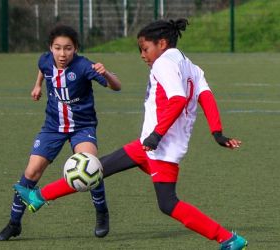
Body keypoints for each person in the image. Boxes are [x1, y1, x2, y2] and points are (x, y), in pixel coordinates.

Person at [13, 19, 247, 249]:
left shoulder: (163, 63)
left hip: (160, 148)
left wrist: (157, 134)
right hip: (150, 145)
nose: (143, 55)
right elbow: (206, 95)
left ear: (162, 44)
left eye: (145, 49)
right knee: (96, 168)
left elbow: (177, 99)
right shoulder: (188, 64)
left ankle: (227, 239)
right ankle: (39, 197)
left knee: (167, 203)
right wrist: (217, 132)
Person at [0, 24, 121, 241]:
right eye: (58, 48)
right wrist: (37, 86)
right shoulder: (44, 60)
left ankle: (102, 212)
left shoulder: (84, 66)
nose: (62, 54)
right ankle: (14, 223)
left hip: (82, 126)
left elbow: (117, 86)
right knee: (31, 172)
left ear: (76, 49)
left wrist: (106, 73)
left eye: (68, 48)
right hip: (53, 126)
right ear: (50, 48)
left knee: (90, 164)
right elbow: (43, 70)